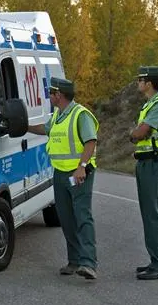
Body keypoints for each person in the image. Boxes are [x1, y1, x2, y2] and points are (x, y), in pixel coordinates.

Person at [28, 77, 99, 280]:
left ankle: (88, 263)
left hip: (78, 174)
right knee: (66, 218)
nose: (49, 96)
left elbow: (90, 141)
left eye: (51, 93)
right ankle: (74, 261)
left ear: (59, 95)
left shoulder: (80, 114)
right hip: (60, 173)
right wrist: (24, 126)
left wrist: (81, 167)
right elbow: (46, 129)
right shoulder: (58, 115)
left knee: (82, 216)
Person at [128, 66, 158, 280]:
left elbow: (140, 132)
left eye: (141, 79)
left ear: (149, 83)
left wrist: (133, 134)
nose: (138, 82)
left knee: (152, 214)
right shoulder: (150, 104)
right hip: (148, 162)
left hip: (155, 163)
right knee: (157, 212)